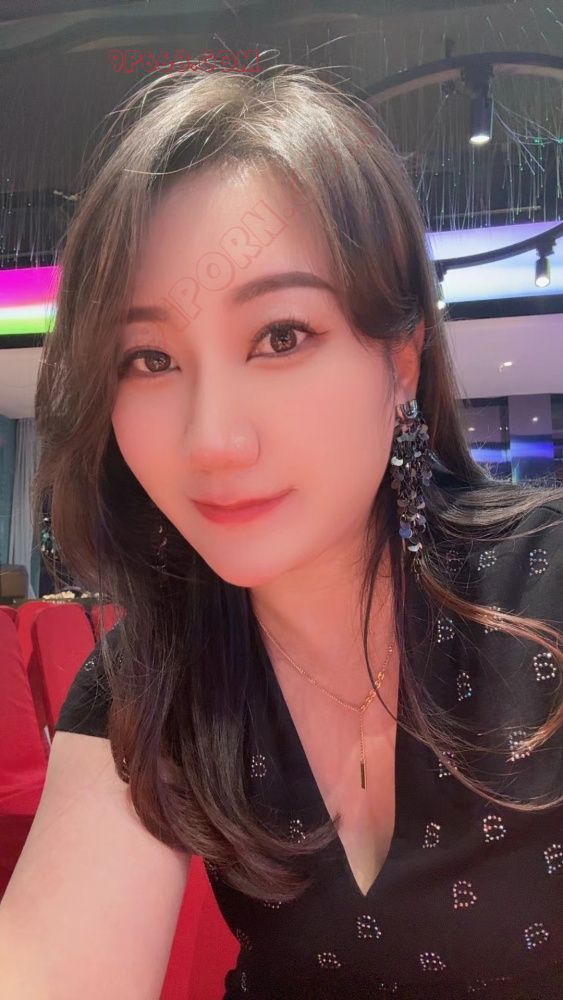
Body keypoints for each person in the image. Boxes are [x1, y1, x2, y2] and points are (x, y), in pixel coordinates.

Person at [0, 64, 562, 1000]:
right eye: (150, 359)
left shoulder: (544, 590)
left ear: (400, 359)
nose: (212, 441)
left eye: (280, 337)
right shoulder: (153, 678)